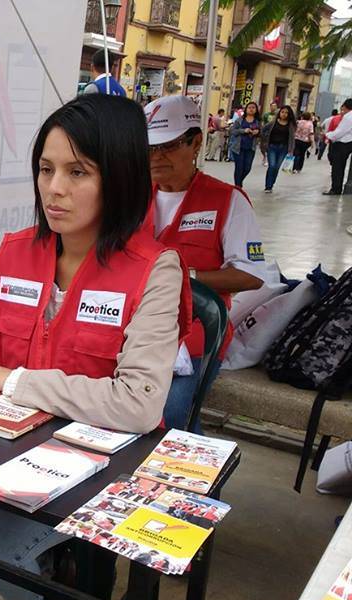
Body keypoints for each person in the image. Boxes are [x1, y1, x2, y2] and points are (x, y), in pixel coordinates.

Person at [0, 95, 192, 600]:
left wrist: (15, 382)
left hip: (105, 456)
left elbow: (138, 404)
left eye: (78, 171)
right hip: (14, 440)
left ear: (119, 177)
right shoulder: (16, 252)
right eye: (45, 169)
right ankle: (37, 597)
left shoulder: (154, 269)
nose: (55, 189)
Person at [144, 95, 274, 430]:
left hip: (195, 332)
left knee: (170, 417)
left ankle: (190, 474)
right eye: (149, 148)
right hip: (135, 327)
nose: (156, 157)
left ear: (197, 142)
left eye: (169, 145)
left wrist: (182, 275)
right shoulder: (132, 196)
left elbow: (251, 274)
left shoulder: (228, 200)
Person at [260, 104, 295, 192]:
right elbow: (263, 129)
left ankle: (272, 183)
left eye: (286, 113)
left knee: (276, 167)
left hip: (283, 148)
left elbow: (292, 138)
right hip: (272, 147)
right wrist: (265, 138)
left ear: (289, 114)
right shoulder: (273, 123)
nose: (284, 114)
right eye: (282, 112)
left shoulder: (291, 125)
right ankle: (268, 186)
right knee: (272, 165)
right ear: (279, 113)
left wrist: (291, 150)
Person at [228, 101, 261, 188]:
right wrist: (243, 130)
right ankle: (238, 186)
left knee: (247, 168)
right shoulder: (239, 120)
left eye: (253, 107)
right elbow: (232, 131)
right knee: (239, 167)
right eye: (249, 107)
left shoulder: (258, 122)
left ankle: (239, 182)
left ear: (256, 110)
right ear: (246, 109)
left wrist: (257, 132)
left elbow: (262, 133)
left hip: (251, 148)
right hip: (238, 147)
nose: (251, 109)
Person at [325, 98, 352, 196]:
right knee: (340, 166)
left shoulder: (348, 117)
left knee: (337, 167)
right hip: (348, 143)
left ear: (345, 106)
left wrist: (328, 135)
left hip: (343, 143)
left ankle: (336, 189)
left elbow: (340, 132)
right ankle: (337, 188)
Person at [259, 101, 278, 166]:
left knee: (268, 146)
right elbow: (263, 122)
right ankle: (264, 156)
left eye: (275, 106)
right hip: (266, 132)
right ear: (270, 107)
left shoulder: (277, 115)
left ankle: (267, 158)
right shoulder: (266, 114)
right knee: (262, 147)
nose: (273, 107)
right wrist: (262, 130)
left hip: (273, 133)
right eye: (272, 106)